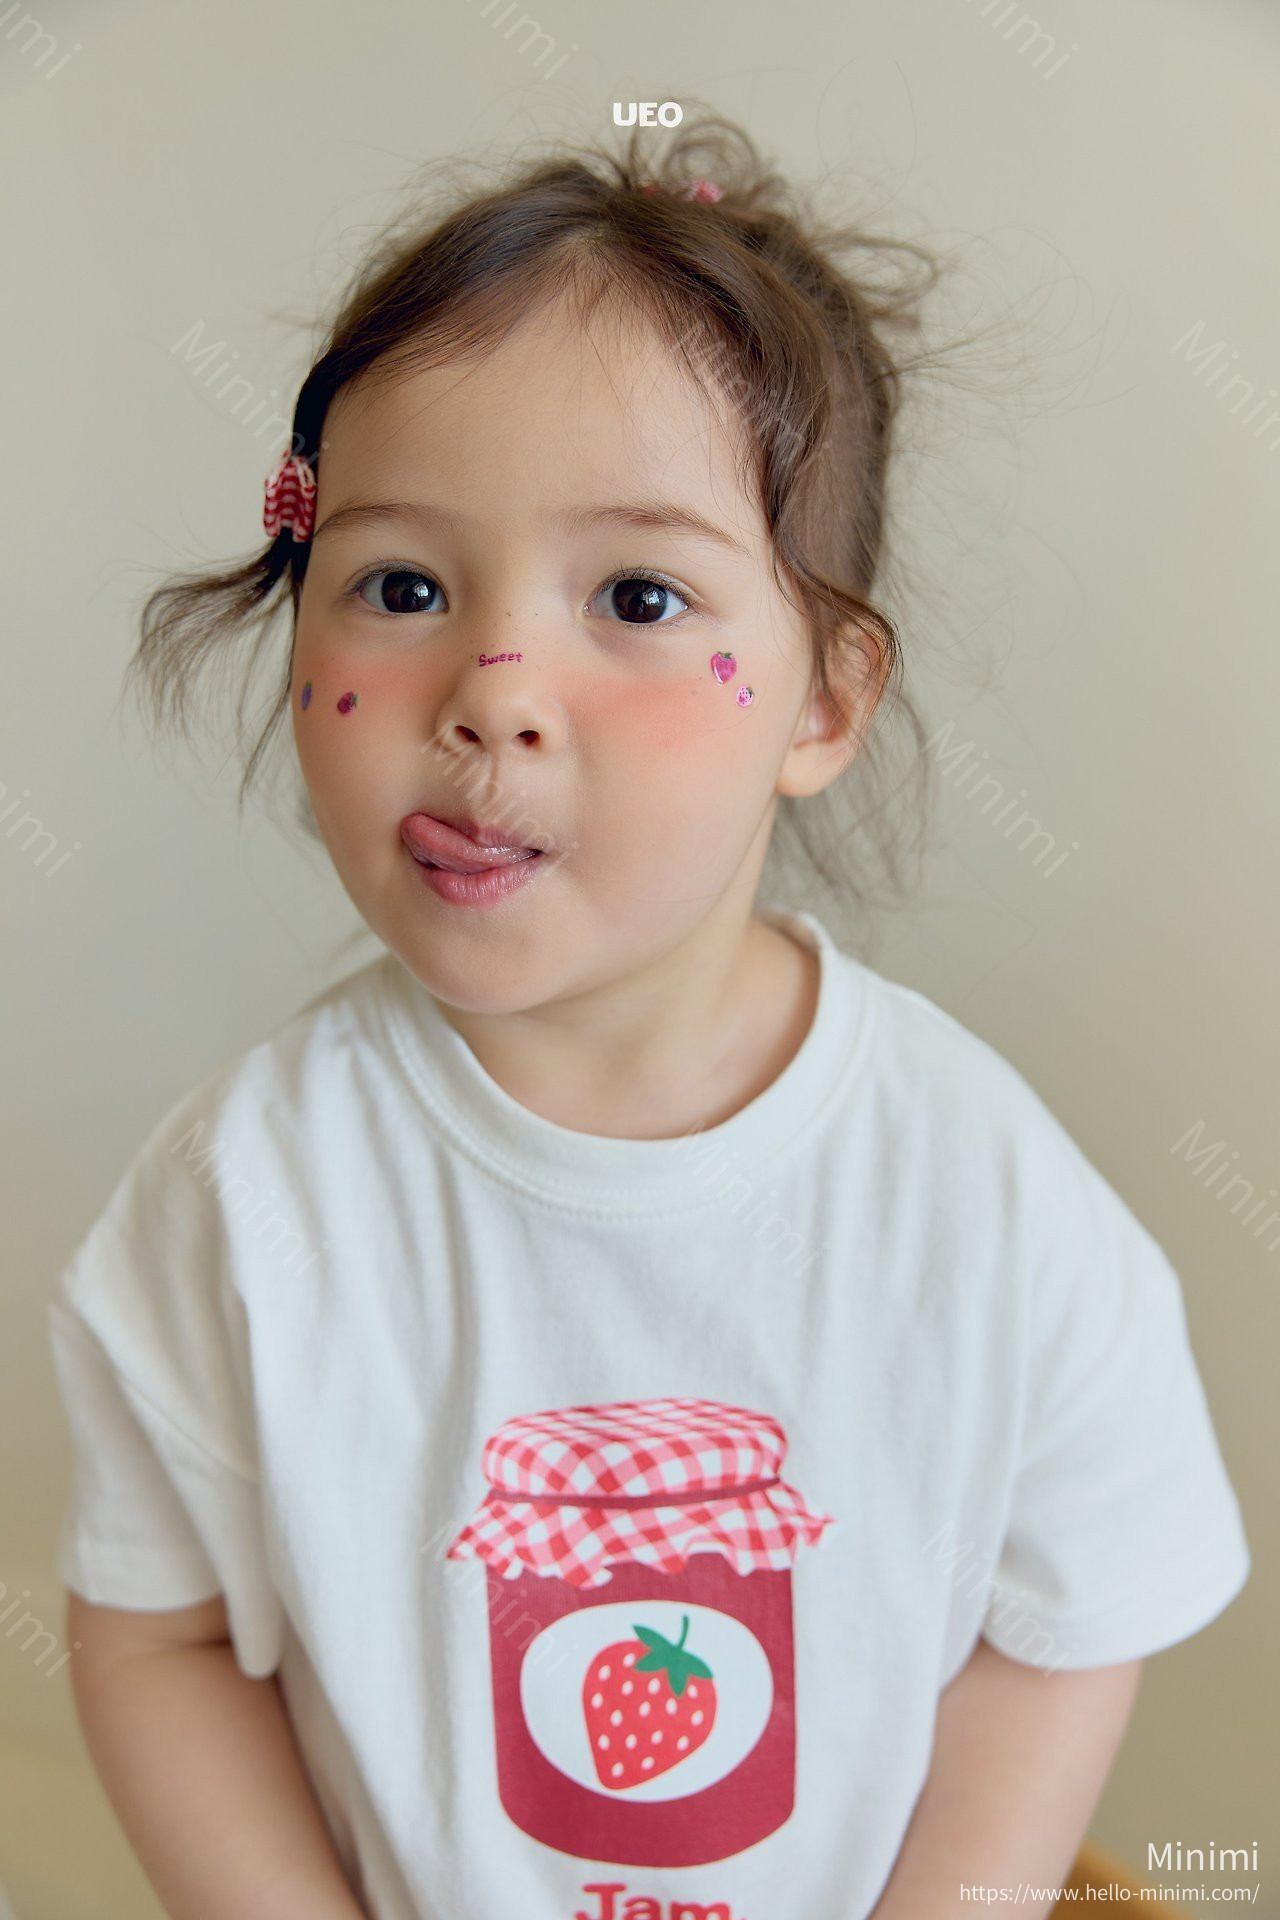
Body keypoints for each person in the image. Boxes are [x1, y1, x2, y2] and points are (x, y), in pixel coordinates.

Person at [47, 115, 1249, 1920]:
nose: (493, 691)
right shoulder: (248, 1196)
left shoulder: (981, 1197)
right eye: (402, 586)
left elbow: (1065, 1624)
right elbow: (160, 1634)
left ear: (822, 701)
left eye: (636, 595)